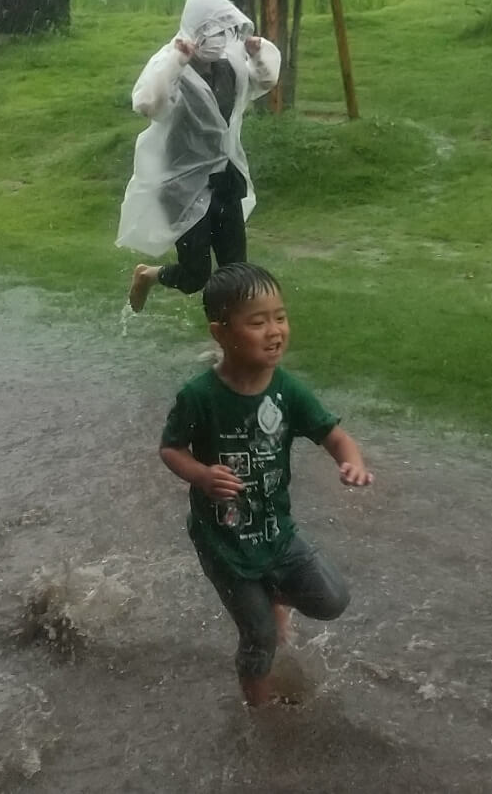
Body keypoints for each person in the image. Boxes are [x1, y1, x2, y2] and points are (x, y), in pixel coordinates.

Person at [158, 263, 373, 707]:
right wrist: (201, 474)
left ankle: (274, 591)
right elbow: (170, 449)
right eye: (258, 322)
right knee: (259, 636)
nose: (275, 331)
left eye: (280, 317)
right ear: (221, 333)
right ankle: (259, 713)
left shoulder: (287, 390)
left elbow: (333, 434)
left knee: (332, 600)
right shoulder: (199, 396)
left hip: (276, 529)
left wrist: (351, 463)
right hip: (224, 540)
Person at [122, 0, 282, 312]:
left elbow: (264, 81)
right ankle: (147, 275)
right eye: (211, 31)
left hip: (225, 177)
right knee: (196, 275)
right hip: (181, 182)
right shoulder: (171, 62)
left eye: (224, 30)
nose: (219, 39)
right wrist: (176, 62)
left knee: (236, 272)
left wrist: (259, 52)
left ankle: (225, 345)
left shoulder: (229, 67)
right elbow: (147, 104)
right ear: (195, 30)